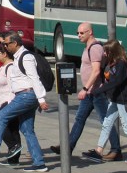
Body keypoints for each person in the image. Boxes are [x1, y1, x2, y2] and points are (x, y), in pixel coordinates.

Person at [0, 32, 50, 172]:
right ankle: (39, 163)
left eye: (6, 44)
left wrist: (41, 99)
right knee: (27, 130)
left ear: (15, 43)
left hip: (26, 96)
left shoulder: (26, 57)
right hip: (26, 95)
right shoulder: (18, 57)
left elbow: (34, 78)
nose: (4, 46)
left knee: (1, 115)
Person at [51, 23, 121, 161]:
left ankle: (116, 150)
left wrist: (85, 88)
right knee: (79, 119)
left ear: (90, 32)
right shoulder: (89, 47)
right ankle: (68, 147)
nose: (79, 36)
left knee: (104, 121)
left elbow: (96, 71)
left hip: (96, 92)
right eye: (78, 33)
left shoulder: (95, 48)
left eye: (82, 33)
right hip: (90, 92)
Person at [82, 40, 127, 165]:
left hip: (122, 100)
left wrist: (98, 90)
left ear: (112, 52)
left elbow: (116, 82)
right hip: (115, 99)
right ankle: (98, 150)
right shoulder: (115, 63)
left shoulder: (121, 64)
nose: (104, 54)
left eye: (106, 52)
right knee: (107, 123)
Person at [0, 34, 21, 166]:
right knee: (12, 129)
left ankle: (12, 147)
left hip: (9, 102)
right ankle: (13, 159)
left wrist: (10, 104)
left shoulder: (11, 68)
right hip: (3, 101)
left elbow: (13, 88)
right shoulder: (2, 68)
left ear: (5, 54)